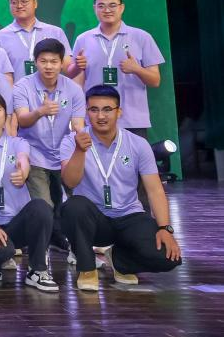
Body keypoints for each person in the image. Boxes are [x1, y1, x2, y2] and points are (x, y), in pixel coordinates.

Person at [59, 85, 182, 290]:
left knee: (168, 258)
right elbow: (70, 182)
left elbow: (155, 190)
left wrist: (165, 228)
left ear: (119, 112)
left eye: (107, 109)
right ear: (87, 113)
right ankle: (86, 267)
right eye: (94, 110)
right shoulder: (72, 141)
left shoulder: (138, 144)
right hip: (94, 218)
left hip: (128, 216)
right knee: (73, 207)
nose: (101, 116)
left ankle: (119, 260)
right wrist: (80, 151)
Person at [0, 90, 57, 292]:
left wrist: (23, 171)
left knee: (41, 207)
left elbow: (24, 158)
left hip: (16, 221)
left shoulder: (18, 143)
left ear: (5, 114)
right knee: (1, 252)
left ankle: (37, 270)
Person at [16, 40, 87, 252]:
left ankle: (63, 240)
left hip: (64, 154)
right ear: (35, 62)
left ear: (62, 63)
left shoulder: (74, 89)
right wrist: (40, 111)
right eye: (43, 61)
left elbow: (78, 124)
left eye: (54, 61)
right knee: (44, 204)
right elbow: (22, 120)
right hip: (35, 153)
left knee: (66, 203)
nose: (48, 66)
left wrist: (81, 140)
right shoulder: (22, 86)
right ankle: (38, 249)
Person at [69, 0, 165, 135]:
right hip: (95, 120)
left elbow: (155, 80)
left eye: (112, 5)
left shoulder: (142, 37)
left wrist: (137, 69)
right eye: (101, 6)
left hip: (132, 121)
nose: (107, 10)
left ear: (122, 7)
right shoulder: (83, 39)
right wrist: (79, 116)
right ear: (94, 8)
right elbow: (77, 83)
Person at [0, 0, 73, 78]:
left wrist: (78, 66)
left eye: (24, 1)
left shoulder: (55, 32)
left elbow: (68, 70)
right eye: (14, 2)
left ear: (35, 3)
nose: (19, 6)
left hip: (50, 88)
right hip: (16, 88)